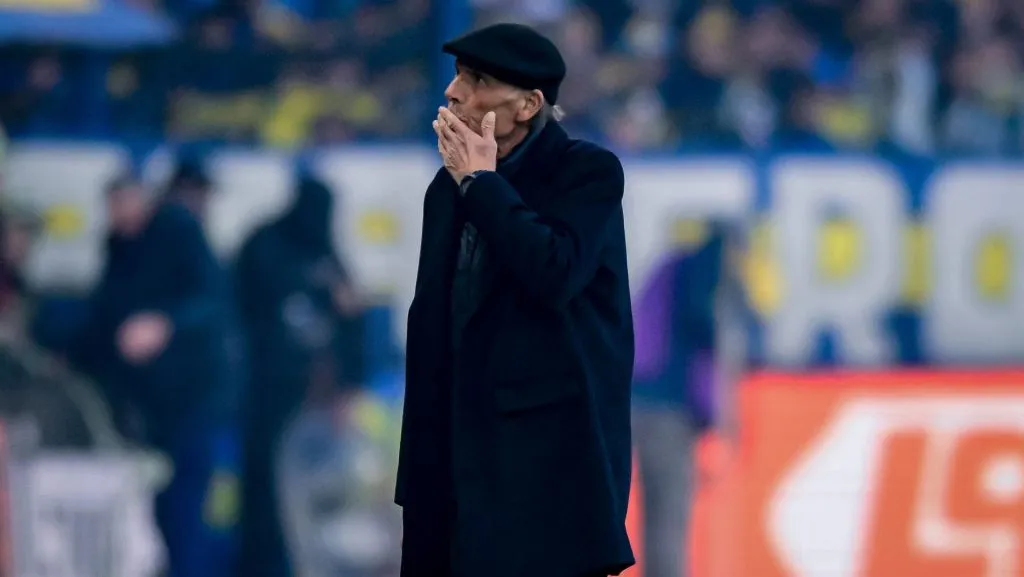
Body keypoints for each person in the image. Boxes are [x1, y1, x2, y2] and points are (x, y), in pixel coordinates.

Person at [397, 23, 635, 577]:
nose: (454, 93)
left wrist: (483, 184)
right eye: (457, 76)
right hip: (451, 463)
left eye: (477, 80)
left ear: (528, 104)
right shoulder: (447, 189)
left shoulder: (586, 173)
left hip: (545, 476)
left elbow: (554, 273)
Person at [69, 175, 239, 577]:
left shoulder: (179, 234)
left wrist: (164, 325)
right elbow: (104, 318)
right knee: (149, 512)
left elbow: (212, 303)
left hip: (194, 398)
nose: (118, 215)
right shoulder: (118, 248)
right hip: (143, 406)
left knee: (186, 507)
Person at [234, 175, 362, 577]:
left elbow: (352, 322)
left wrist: (349, 387)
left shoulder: (325, 252)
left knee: (317, 494)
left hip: (316, 398)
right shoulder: (264, 246)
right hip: (266, 392)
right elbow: (244, 315)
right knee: (263, 491)